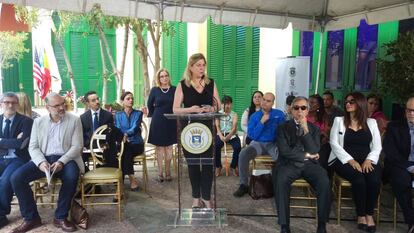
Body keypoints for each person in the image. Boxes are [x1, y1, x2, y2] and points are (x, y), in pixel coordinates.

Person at [10, 92, 84, 233]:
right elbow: (33, 146)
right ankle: (31, 218)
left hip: (66, 158)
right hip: (43, 158)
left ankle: (60, 217)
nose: (62, 107)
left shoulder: (74, 120)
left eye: (63, 103)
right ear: (47, 107)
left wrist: (62, 161)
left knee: (71, 176)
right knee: (16, 177)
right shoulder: (38, 122)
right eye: (57, 105)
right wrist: (40, 162)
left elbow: (77, 146)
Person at [274, 96, 330, 233]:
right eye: (296, 108)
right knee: (280, 180)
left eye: (303, 108)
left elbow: (314, 150)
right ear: (291, 110)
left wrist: (305, 130)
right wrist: (306, 155)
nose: (300, 111)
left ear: (307, 110)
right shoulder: (283, 127)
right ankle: (284, 225)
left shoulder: (314, 129)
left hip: (310, 165)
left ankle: (322, 224)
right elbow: (284, 151)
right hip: (289, 164)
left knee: (324, 180)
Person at [329, 92, 382, 233]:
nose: (348, 104)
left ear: (360, 104)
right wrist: (350, 160)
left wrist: (369, 159)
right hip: (343, 159)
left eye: (352, 101)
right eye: (346, 101)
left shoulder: (372, 123)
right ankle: (360, 215)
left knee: (374, 180)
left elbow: (377, 146)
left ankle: (369, 214)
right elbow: (334, 144)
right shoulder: (339, 121)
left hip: (367, 159)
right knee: (359, 180)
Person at [173, 53, 221, 209]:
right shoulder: (182, 85)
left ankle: (206, 198)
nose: (202, 68)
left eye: (203, 65)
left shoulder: (210, 84)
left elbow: (218, 105)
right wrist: (191, 109)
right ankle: (196, 198)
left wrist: (212, 108)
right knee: (193, 164)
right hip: (189, 131)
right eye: (198, 65)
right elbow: (175, 110)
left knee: (207, 164)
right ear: (191, 67)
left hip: (207, 129)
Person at [233, 92, 285, 197]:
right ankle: (244, 184)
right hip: (258, 144)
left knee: (282, 159)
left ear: (273, 103)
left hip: (273, 144)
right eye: (264, 99)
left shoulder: (279, 114)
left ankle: (279, 185)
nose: (265, 102)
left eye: (268, 101)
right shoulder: (255, 116)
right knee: (243, 154)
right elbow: (252, 135)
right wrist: (261, 122)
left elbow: (283, 132)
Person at [0, 92, 33, 230]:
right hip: (1, 158)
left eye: (13, 102)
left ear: (18, 104)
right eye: (7, 102)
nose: (10, 105)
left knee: (5, 180)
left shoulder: (26, 121)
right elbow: (16, 142)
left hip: (18, 159)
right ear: (1, 104)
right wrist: (13, 141)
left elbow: (22, 144)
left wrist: (1, 141)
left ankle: (1, 215)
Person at [383, 96, 414, 233]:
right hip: (400, 165)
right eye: (409, 110)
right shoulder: (394, 127)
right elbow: (391, 153)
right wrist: (410, 167)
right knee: (402, 182)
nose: (411, 113)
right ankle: (411, 222)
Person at [147, 68, 177, 182]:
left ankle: (168, 172)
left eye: (166, 75)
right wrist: (153, 115)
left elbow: (179, 103)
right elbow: (150, 104)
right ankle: (160, 173)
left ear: (169, 77)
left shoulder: (174, 89)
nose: (164, 78)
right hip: (158, 120)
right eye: (161, 76)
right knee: (159, 148)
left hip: (171, 120)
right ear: (158, 78)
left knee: (169, 148)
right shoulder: (155, 90)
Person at [115, 91, 144, 191]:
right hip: (123, 144)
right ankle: (132, 180)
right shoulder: (118, 115)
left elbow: (135, 127)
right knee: (125, 151)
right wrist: (123, 137)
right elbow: (118, 128)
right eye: (128, 99)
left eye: (132, 98)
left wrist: (126, 134)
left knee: (125, 151)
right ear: (122, 101)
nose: (131, 100)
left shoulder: (138, 113)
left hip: (136, 144)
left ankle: (120, 185)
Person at [80, 91, 114, 170]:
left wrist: (105, 144)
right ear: (88, 104)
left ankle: (104, 175)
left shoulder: (108, 115)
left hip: (103, 146)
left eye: (97, 99)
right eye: (93, 100)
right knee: (76, 158)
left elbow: (111, 133)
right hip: (88, 147)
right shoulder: (83, 117)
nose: (97, 102)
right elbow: (81, 134)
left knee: (110, 155)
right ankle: (87, 176)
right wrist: (83, 146)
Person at [214, 95, 241, 177]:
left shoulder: (234, 114)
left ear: (231, 104)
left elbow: (234, 127)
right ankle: (218, 166)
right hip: (221, 133)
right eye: (225, 104)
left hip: (232, 134)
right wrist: (221, 136)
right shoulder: (218, 114)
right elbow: (217, 126)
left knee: (237, 147)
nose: (227, 106)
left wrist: (228, 136)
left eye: (229, 104)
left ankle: (233, 166)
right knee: (216, 146)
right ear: (221, 104)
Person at [308, 94, 331, 171]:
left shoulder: (324, 117)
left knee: (325, 151)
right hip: (305, 144)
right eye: (308, 102)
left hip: (320, 144)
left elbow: (327, 135)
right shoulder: (302, 116)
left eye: (312, 102)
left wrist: (323, 134)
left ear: (318, 106)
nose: (309, 104)